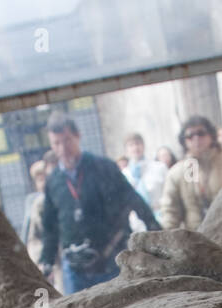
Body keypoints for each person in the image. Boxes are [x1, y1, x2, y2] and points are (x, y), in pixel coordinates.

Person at [38, 113, 160, 293]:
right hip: (75, 269)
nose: (63, 148)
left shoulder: (103, 167)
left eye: (67, 140)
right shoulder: (53, 181)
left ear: (78, 136)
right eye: (56, 143)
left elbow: (133, 200)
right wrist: (46, 262)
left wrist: (157, 234)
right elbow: (50, 227)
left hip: (111, 260)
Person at [159, 115, 222, 231]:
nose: (196, 138)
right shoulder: (177, 173)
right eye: (190, 136)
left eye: (201, 133)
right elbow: (170, 212)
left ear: (211, 136)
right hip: (194, 238)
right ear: (184, 141)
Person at [120, 132, 169, 208]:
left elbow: (169, 194)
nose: (135, 148)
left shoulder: (159, 167)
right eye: (131, 145)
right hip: (136, 218)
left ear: (143, 146)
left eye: (138, 143)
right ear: (126, 150)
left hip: (160, 214)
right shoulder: (124, 174)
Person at [20, 159, 49, 265]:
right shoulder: (33, 201)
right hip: (39, 254)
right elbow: (29, 230)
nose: (43, 183)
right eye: (39, 180)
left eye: (45, 178)